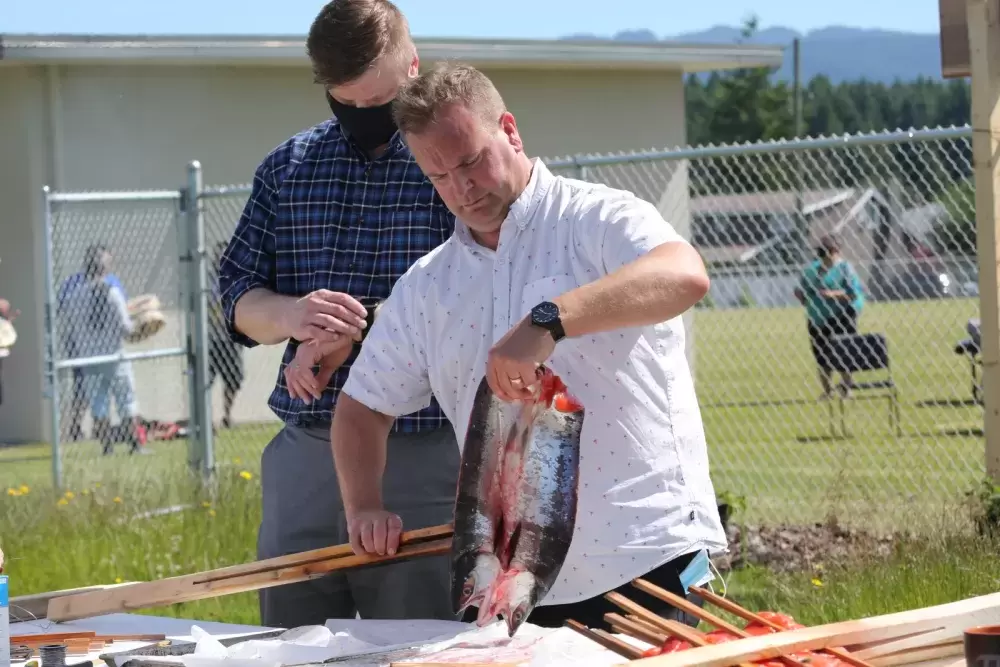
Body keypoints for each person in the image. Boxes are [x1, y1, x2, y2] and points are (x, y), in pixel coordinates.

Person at [314, 62, 729, 631]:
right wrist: (363, 506)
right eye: (438, 176)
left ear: (509, 131)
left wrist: (549, 320)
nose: (461, 189)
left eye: (470, 161)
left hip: (640, 555)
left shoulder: (596, 217)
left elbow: (684, 274)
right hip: (510, 585)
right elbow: (362, 407)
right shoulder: (428, 285)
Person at [216, 0, 460, 629]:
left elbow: (480, 292)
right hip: (308, 449)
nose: (362, 119)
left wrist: (354, 330)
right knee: (289, 640)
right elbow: (239, 297)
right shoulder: (288, 167)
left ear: (413, 66)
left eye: (376, 102)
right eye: (344, 103)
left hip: (420, 447)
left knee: (416, 639)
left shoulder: (453, 167)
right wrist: (295, 316)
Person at [62, 244, 146, 454]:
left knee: (98, 402)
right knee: (126, 398)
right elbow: (126, 328)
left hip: (88, 357)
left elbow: (72, 328)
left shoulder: (73, 297)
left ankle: (107, 446)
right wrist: (141, 326)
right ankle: (135, 444)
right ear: (104, 268)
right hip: (113, 355)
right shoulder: (113, 293)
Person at [57, 247, 128, 442]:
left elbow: (122, 309)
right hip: (80, 345)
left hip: (108, 344)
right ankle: (77, 427)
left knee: (113, 388)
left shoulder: (113, 282)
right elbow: (63, 310)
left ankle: (103, 431)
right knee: (84, 387)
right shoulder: (73, 283)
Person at [793, 234, 865, 400]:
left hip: (842, 316)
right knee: (822, 356)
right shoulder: (811, 270)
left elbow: (853, 294)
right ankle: (827, 391)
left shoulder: (845, 268)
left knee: (845, 352)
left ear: (836, 251)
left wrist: (832, 294)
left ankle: (846, 390)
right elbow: (802, 291)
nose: (824, 257)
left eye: (828, 252)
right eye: (821, 253)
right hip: (818, 318)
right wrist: (801, 295)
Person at [208, 241, 244, 428]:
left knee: (234, 380)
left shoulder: (237, 278)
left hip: (231, 339)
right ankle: (207, 419)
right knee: (206, 380)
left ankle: (227, 415)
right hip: (213, 340)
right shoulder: (207, 280)